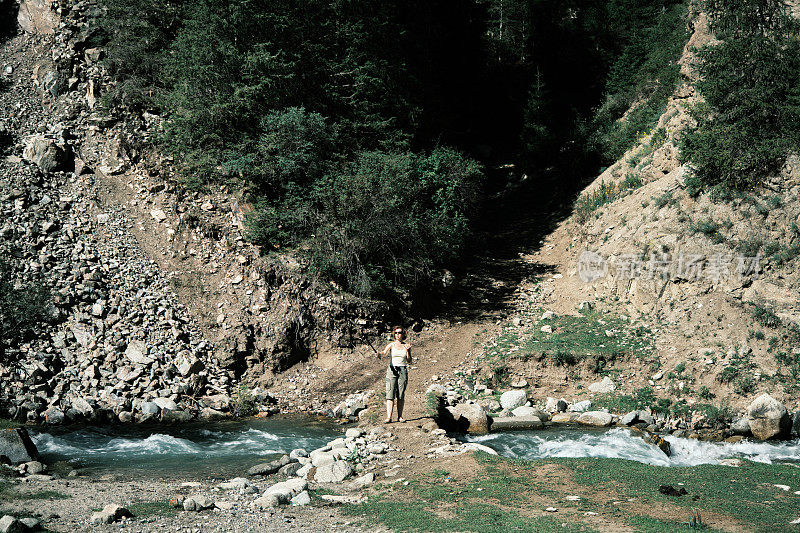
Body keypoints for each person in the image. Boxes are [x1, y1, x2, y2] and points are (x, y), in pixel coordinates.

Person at [380, 325, 412, 423]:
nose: (398, 335)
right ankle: (389, 417)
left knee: (401, 394)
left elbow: (409, 361)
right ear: (394, 334)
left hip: (402, 370)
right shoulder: (391, 345)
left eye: (400, 333)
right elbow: (384, 353)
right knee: (390, 394)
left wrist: (407, 351)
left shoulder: (406, 346)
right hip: (391, 369)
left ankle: (400, 416)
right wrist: (378, 354)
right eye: (396, 333)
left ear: (403, 334)